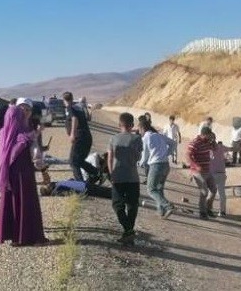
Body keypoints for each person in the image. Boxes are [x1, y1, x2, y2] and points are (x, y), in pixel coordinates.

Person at [0, 100, 48, 246]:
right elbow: (33, 151)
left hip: (9, 175)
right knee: (26, 202)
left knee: (11, 203)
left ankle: (14, 236)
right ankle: (27, 237)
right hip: (23, 173)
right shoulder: (23, 136)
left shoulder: (4, 133)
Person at [108, 112, 143, 244]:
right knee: (132, 205)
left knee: (117, 204)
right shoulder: (137, 139)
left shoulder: (113, 139)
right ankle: (129, 232)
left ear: (119, 125)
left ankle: (128, 231)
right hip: (133, 177)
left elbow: (110, 158)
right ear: (132, 125)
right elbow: (139, 157)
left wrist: (111, 174)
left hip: (118, 177)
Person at [139, 117, 175, 219]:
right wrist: (167, 153)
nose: (139, 132)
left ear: (142, 128)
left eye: (139, 130)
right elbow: (173, 143)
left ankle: (168, 206)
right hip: (165, 165)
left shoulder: (146, 137)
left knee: (151, 189)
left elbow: (145, 154)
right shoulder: (159, 135)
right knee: (159, 188)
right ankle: (161, 211)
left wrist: (141, 163)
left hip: (156, 165)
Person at [63, 91, 100, 183]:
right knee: (79, 160)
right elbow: (88, 119)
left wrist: (72, 134)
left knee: (73, 162)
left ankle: (80, 185)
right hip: (86, 138)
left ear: (64, 100)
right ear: (72, 98)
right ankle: (96, 173)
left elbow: (74, 119)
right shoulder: (78, 109)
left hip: (80, 138)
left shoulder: (70, 108)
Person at [186, 126, 217, 219]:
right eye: (209, 135)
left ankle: (208, 208)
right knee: (204, 192)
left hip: (207, 170)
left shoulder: (208, 142)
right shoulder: (195, 143)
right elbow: (188, 156)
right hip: (197, 172)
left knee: (214, 190)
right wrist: (195, 166)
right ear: (204, 134)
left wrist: (214, 140)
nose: (209, 137)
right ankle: (202, 211)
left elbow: (214, 149)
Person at [210, 139, 231, 217]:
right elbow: (231, 149)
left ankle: (208, 209)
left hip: (212, 174)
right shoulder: (221, 147)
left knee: (210, 193)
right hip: (221, 173)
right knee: (222, 193)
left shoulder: (207, 149)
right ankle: (222, 211)